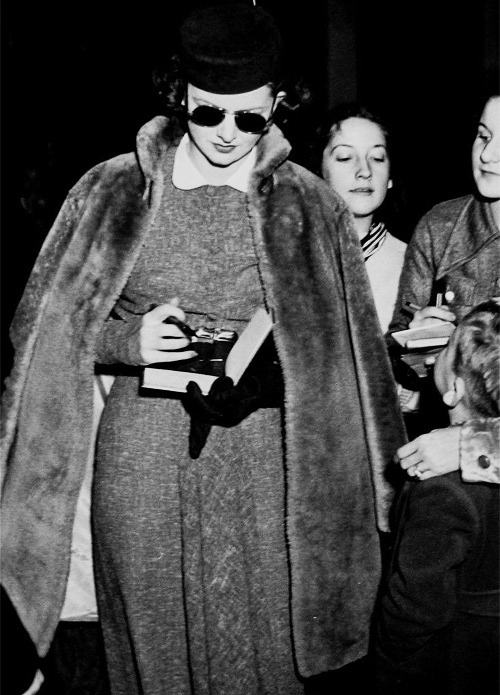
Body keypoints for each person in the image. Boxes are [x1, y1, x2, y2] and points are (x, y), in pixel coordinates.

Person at [0, 4, 406, 694]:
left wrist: (389, 496)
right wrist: (128, 340)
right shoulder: (110, 191)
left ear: (278, 104)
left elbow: (355, 357)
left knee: (267, 657)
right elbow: (42, 333)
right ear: (179, 95)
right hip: (142, 462)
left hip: (268, 466)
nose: (226, 133)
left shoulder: (310, 206)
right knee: (150, 656)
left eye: (249, 118)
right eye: (208, 113)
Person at [375, 299, 500, 695]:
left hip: (447, 664)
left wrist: (386, 665)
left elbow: (415, 606)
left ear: (456, 390)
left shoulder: (441, 489)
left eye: (444, 350)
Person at [387, 89, 500, 435]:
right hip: (443, 435)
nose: (488, 154)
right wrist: (417, 343)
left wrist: (471, 447)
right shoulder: (440, 228)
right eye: (483, 136)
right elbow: (392, 351)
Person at [319, 102, 407, 333]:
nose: (364, 171)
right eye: (345, 157)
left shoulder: (414, 264)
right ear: (318, 173)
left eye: (377, 158)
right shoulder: (287, 255)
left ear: (390, 177)